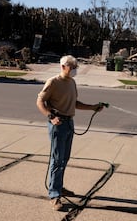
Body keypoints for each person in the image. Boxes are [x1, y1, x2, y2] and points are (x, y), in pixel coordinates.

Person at [36, 55, 104, 211]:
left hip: (69, 123)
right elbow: (39, 101)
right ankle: (54, 195)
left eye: (76, 67)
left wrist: (93, 107)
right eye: (72, 67)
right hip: (57, 125)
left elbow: (75, 103)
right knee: (57, 160)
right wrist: (50, 117)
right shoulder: (53, 82)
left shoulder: (72, 82)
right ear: (63, 66)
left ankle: (58, 186)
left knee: (64, 159)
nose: (74, 70)